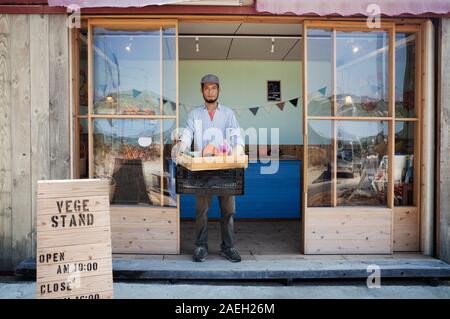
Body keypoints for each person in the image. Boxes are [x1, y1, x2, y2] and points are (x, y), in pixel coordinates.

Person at [174, 74, 245, 263]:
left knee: (228, 210)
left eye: (213, 88)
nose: (210, 91)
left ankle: (228, 247)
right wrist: (181, 146)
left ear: (218, 90)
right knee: (201, 211)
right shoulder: (194, 114)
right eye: (206, 88)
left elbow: (237, 136)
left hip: (226, 168)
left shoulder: (228, 114)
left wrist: (238, 149)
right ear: (202, 90)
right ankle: (201, 246)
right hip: (201, 169)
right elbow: (188, 133)